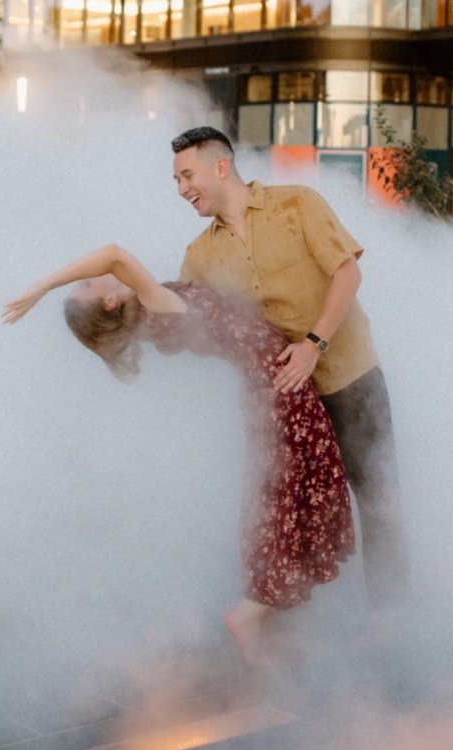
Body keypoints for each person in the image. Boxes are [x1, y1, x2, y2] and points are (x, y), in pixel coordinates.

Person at [4, 244, 355, 665]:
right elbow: (113, 253)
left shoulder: (153, 309)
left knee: (288, 500)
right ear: (109, 299)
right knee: (293, 502)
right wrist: (43, 285)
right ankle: (250, 614)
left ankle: (271, 617)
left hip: (273, 389)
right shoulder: (155, 302)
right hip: (280, 391)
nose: (89, 275)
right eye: (86, 284)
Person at [169, 126, 408, 606]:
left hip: (349, 378)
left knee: (378, 502)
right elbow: (188, 325)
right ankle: (307, 629)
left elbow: (347, 271)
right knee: (294, 517)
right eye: (176, 181)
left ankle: (392, 620)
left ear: (221, 166)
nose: (181, 189)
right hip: (287, 406)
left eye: (186, 175)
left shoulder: (297, 204)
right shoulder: (199, 255)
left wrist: (312, 344)